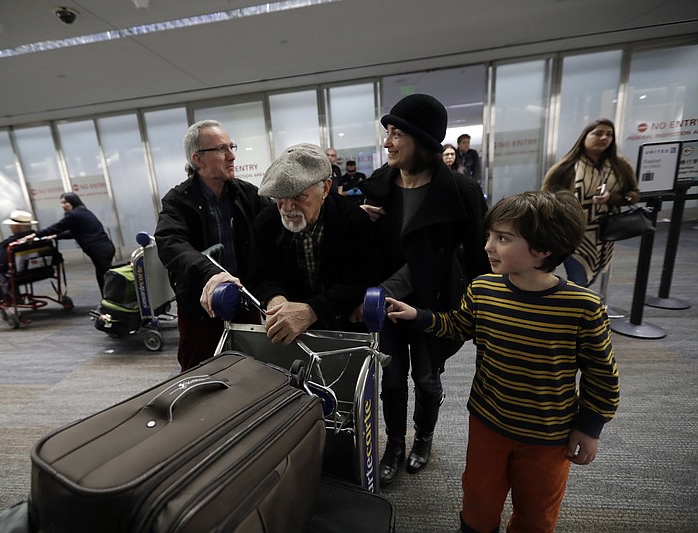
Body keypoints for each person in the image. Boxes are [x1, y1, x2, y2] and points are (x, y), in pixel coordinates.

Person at [384, 190, 620, 533]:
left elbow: (602, 374)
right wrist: (417, 315)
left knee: (536, 514)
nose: (488, 247)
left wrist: (590, 426)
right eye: (489, 236)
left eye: (503, 238)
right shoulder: (483, 289)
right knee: (478, 504)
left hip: (547, 436)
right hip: (487, 423)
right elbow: (458, 325)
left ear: (542, 248)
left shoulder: (582, 306)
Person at [357, 94, 490, 485]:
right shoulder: (379, 187)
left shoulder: (460, 192)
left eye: (396, 134)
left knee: (428, 382)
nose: (387, 142)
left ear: (421, 138)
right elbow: (369, 253)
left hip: (437, 306)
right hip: (388, 305)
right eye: (387, 133)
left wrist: (484, 316)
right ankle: (395, 444)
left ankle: (424, 439)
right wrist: (359, 221)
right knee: (393, 380)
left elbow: (480, 261)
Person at [232, 143, 379, 344]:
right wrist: (275, 299)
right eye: (280, 197)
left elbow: (361, 279)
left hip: (345, 331)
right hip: (290, 336)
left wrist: (313, 310)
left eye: (299, 196)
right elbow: (260, 276)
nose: (288, 207)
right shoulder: (266, 223)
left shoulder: (351, 219)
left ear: (325, 188)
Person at [155, 120, 270, 371]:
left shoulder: (247, 194)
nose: (232, 156)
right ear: (199, 159)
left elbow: (279, 222)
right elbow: (171, 244)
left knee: (253, 370)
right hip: (200, 308)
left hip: (244, 302)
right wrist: (212, 274)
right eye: (221, 149)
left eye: (231, 147)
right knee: (199, 375)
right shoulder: (177, 201)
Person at [542, 118, 640, 288]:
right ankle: (573, 311)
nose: (604, 138)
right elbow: (545, 199)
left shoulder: (620, 166)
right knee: (579, 280)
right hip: (573, 233)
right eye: (598, 133)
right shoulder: (565, 167)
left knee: (591, 278)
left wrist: (611, 198)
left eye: (609, 135)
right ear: (584, 137)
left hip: (606, 233)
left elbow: (634, 194)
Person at [27, 192, 115, 295]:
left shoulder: (73, 215)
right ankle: (107, 298)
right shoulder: (83, 211)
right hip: (105, 248)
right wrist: (56, 236)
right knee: (102, 275)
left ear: (73, 201)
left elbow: (57, 227)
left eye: (65, 202)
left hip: (99, 250)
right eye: (61, 203)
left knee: (107, 276)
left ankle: (114, 300)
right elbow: (75, 232)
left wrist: (35, 235)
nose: (63, 205)